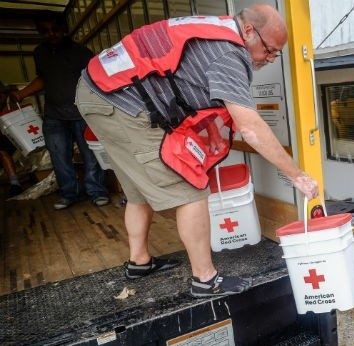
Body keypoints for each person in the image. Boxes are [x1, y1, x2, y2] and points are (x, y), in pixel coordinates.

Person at [75, 5, 319, 297]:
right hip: (118, 100)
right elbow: (251, 128)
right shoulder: (229, 53)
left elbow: (188, 85)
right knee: (190, 186)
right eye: (269, 50)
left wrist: (213, 129)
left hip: (100, 91)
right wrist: (297, 175)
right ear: (249, 31)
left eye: (275, 53)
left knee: (138, 187)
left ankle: (139, 261)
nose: (269, 58)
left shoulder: (217, 32)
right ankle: (205, 279)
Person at [10, 12, 109, 210]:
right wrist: (21, 94)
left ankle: (96, 191)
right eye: (45, 31)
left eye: (55, 30)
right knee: (59, 156)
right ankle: (69, 194)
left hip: (82, 114)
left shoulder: (82, 53)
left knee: (90, 156)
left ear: (64, 30)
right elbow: (44, 79)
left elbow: (95, 80)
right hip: (54, 115)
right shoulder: (39, 53)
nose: (51, 34)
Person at [0, 82, 23, 196]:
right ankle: (14, 183)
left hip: (4, 123)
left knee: (2, 150)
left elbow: (5, 94)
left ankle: (15, 183)